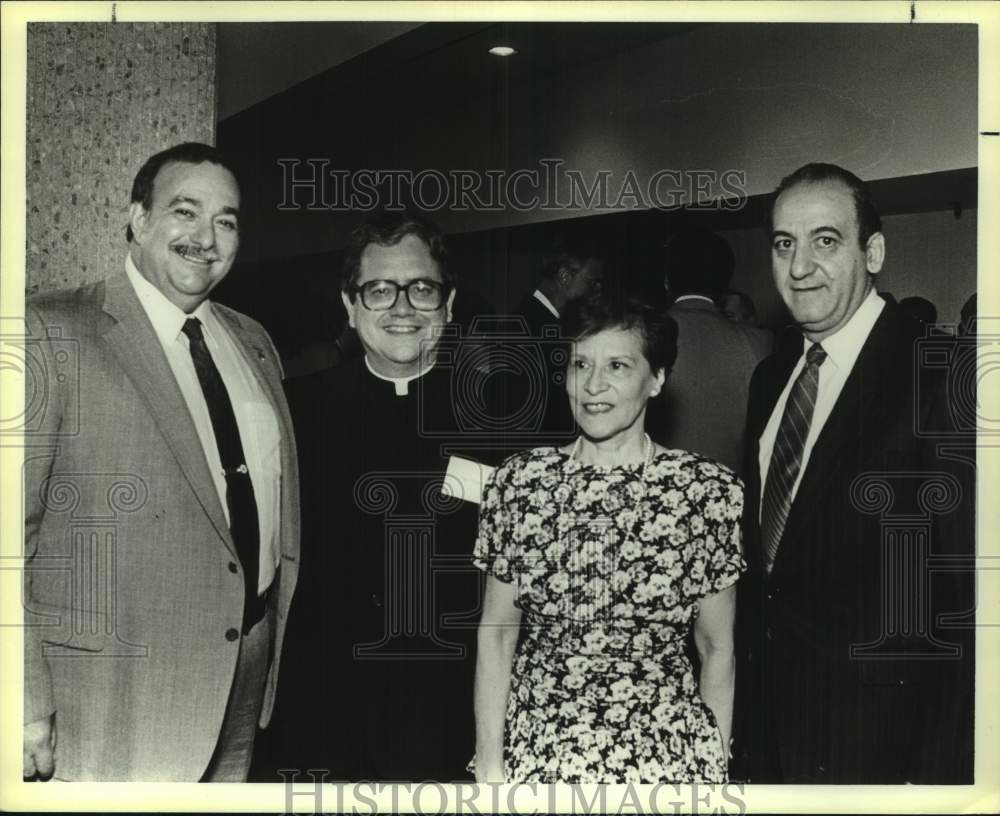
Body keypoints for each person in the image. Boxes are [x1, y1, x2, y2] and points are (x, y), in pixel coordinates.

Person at [22, 142, 300, 781]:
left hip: (242, 676)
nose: (206, 238)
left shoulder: (253, 341)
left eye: (226, 221)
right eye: (185, 211)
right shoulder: (51, 331)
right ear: (139, 219)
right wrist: (23, 695)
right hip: (107, 700)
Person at [735, 162, 974, 783]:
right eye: (784, 244)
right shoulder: (771, 378)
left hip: (885, 746)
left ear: (874, 253)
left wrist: (940, 780)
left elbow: (968, 604)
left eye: (825, 240)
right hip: (771, 732)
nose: (799, 267)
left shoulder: (940, 375)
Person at [473, 290, 746, 783]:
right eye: (581, 365)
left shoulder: (705, 491)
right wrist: (490, 764)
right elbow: (497, 634)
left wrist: (711, 773)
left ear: (657, 378)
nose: (593, 385)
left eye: (618, 366)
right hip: (540, 753)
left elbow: (716, 649)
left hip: (665, 759)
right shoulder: (521, 482)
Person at [279, 210, 498, 781]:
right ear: (350, 307)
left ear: (449, 304)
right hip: (328, 704)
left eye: (422, 289)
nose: (402, 308)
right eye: (379, 290)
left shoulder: (500, 415)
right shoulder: (295, 412)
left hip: (458, 701)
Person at [647, 230, 772, 476]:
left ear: (666, 281)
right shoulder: (761, 343)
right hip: (733, 490)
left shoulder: (640, 335)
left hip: (655, 488)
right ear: (726, 284)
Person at [513, 228, 606, 444]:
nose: (598, 290)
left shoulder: (534, 321)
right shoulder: (531, 330)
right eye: (593, 282)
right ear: (565, 276)